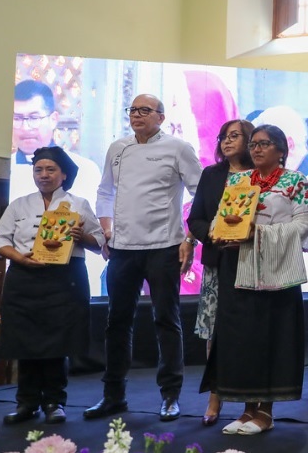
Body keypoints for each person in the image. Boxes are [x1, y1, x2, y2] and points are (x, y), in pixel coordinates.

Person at [85, 94, 202, 422]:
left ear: (161, 117)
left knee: (166, 320)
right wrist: (106, 229)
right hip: (122, 248)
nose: (137, 115)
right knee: (117, 322)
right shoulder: (117, 148)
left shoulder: (178, 148)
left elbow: (201, 193)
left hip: (164, 246)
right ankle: (113, 395)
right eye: (133, 110)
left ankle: (170, 395)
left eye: (145, 110)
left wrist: (189, 238)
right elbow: (105, 191)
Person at [199, 124, 308, 436]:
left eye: (265, 143)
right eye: (254, 144)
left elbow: (302, 226)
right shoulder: (239, 180)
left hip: (277, 270)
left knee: (271, 338)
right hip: (238, 268)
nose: (257, 149)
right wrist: (219, 233)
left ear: (281, 150)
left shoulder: (296, 182)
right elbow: (221, 217)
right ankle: (247, 409)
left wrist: (257, 234)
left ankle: (266, 412)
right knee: (243, 340)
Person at [0, 147, 105, 425]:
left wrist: (82, 236)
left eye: (50, 169)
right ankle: (26, 403)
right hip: (23, 278)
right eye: (38, 170)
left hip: (65, 280)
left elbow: (99, 242)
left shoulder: (78, 204)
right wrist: (20, 258)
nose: (43, 175)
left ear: (64, 174)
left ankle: (55, 402)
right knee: (25, 342)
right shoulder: (19, 204)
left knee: (57, 343)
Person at [186, 118, 255, 427]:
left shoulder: (260, 175)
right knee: (215, 332)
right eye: (223, 136)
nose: (227, 141)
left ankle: (252, 401)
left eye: (234, 136)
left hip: (251, 261)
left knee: (249, 331)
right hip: (218, 262)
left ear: (250, 140)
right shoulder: (211, 174)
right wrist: (212, 234)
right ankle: (215, 397)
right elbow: (196, 218)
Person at [10, 80, 102, 208]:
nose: (25, 127)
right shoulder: (4, 168)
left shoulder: (85, 169)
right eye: (17, 118)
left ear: (53, 119)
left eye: (34, 118)